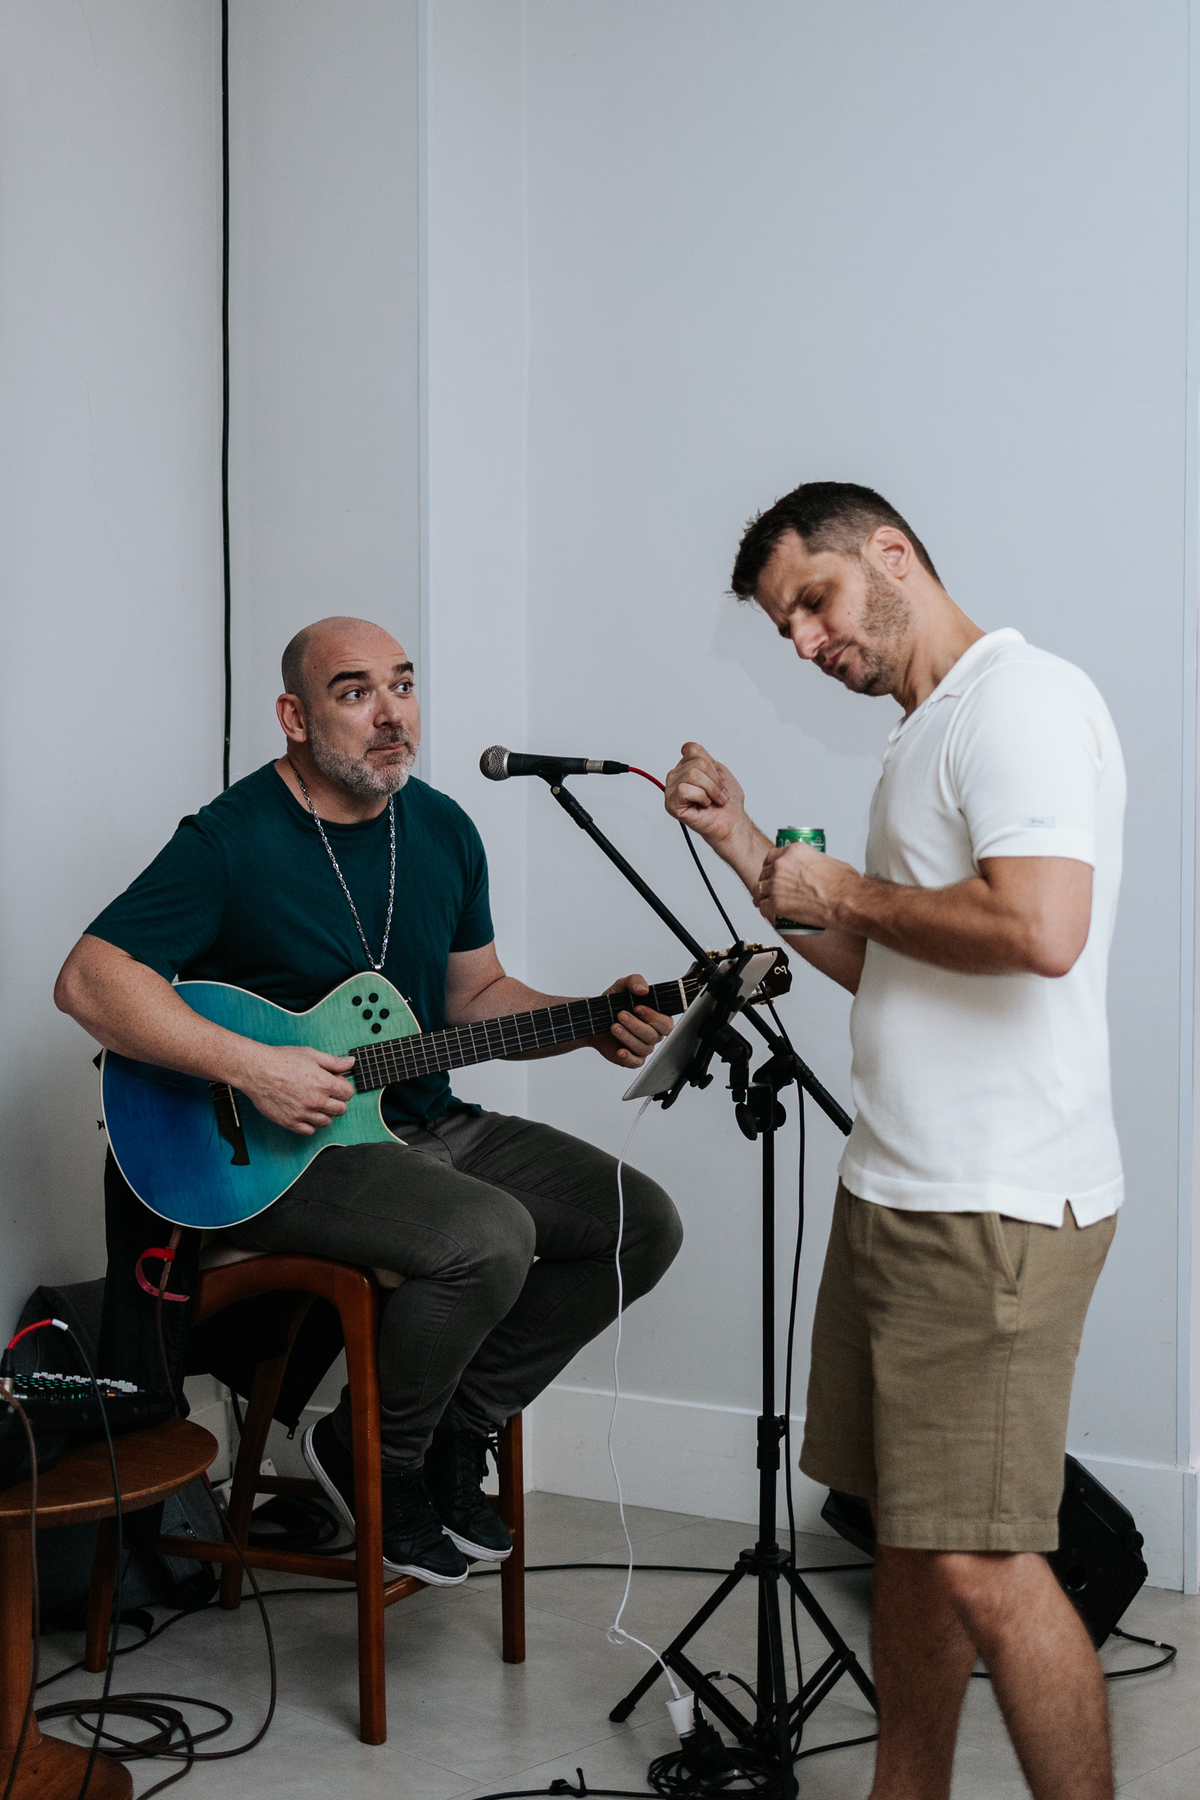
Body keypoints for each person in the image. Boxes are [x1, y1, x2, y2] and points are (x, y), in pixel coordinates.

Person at [55, 616, 682, 1588]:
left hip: (424, 1119)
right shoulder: (232, 839)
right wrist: (253, 1067)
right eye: (355, 693)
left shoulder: (439, 828)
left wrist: (586, 1020)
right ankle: (371, 1459)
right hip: (288, 1149)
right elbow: (90, 982)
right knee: (490, 1236)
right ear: (294, 717)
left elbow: (475, 999)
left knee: (638, 1224)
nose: (391, 714)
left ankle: (453, 1428)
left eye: (403, 685)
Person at [665, 482, 1122, 1800]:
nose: (805, 642)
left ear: (892, 554)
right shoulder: (925, 734)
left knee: (983, 1557)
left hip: (993, 1212)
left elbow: (1040, 930)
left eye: (811, 603)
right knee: (916, 1541)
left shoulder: (1020, 705)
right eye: (782, 630)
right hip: (899, 1192)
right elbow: (883, 963)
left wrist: (849, 886)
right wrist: (747, 843)